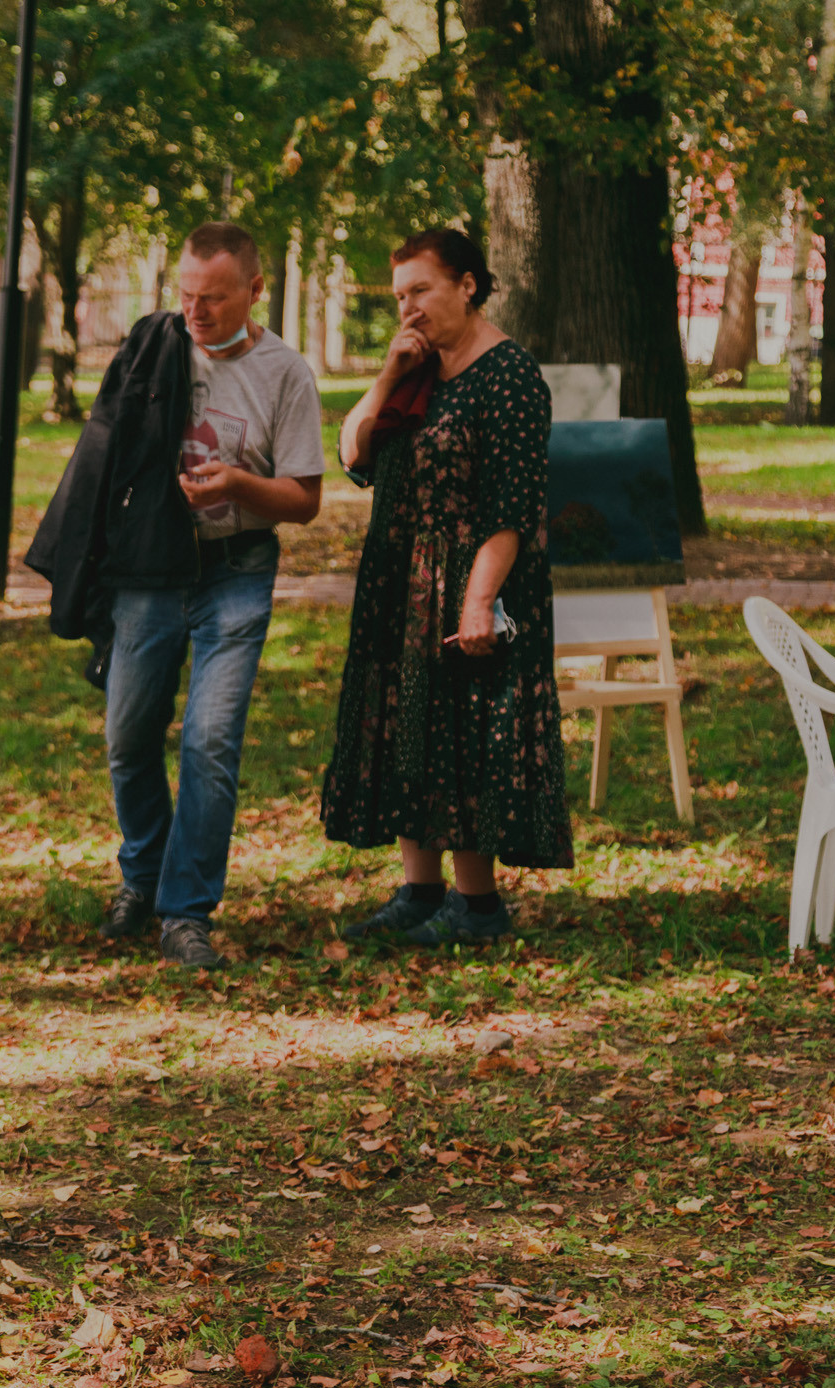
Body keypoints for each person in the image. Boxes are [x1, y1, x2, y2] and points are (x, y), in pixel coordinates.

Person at [28, 222, 326, 969]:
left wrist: (236, 484)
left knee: (209, 743)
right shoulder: (153, 346)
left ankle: (185, 910)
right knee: (127, 738)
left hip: (237, 569)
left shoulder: (285, 373)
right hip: (149, 572)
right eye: (186, 295)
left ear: (254, 291)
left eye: (214, 299)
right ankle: (144, 875)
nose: (195, 312)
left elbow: (304, 499)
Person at [323, 226, 571, 946]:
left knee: (467, 732)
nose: (410, 308)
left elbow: (512, 504)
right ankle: (418, 889)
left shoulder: (512, 375)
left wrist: (476, 600)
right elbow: (353, 452)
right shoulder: (416, 370)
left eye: (422, 291)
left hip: (473, 578)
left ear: (467, 283)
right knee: (409, 724)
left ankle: (477, 904)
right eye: (401, 296)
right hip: (402, 580)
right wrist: (387, 375)